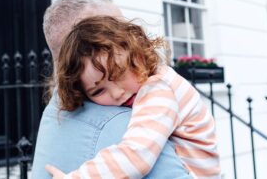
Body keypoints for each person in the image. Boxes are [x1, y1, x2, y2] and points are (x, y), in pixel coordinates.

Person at [31, 0, 193, 179]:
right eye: (112, 31)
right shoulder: (125, 123)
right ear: (78, 47)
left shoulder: (55, 117)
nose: (130, 40)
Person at [45, 15, 221, 178]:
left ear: (138, 55)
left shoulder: (159, 89)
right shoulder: (149, 81)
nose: (117, 94)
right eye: (98, 91)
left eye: (120, 74)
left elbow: (136, 156)